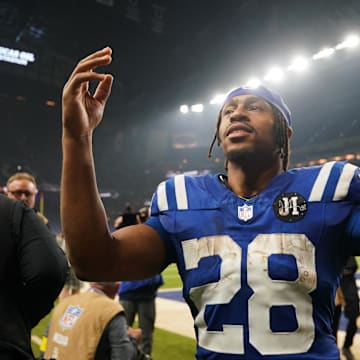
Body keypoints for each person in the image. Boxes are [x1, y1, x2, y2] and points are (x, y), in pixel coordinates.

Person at [60, 47, 360, 359]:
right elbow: (92, 261)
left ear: (285, 131)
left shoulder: (328, 189)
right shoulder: (183, 199)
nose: (237, 113)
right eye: (228, 110)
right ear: (218, 133)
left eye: (255, 107)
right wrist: (76, 137)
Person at [0, 194, 68, 359]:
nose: (22, 197)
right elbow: (49, 272)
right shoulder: (13, 212)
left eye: (27, 193)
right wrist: (17, 316)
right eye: (18, 191)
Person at [42, 281, 143, 360]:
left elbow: (45, 341)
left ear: (91, 284)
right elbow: (122, 356)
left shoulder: (65, 303)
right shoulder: (111, 310)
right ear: (117, 288)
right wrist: (133, 339)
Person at [118, 206, 164, 356]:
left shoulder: (152, 235)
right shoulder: (140, 235)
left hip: (138, 293)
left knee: (131, 334)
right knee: (126, 334)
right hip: (137, 293)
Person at [332, 256, 360, 360]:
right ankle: (334, 351)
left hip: (347, 282)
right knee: (333, 322)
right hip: (333, 283)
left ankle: (346, 347)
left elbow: (352, 266)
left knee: (354, 315)